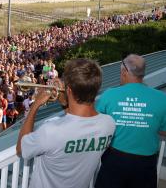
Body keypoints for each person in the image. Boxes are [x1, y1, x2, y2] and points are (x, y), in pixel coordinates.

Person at [16, 58, 115, 188]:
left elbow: (21, 150)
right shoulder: (109, 124)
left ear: (68, 90)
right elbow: (76, 121)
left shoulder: (50, 130)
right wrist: (64, 102)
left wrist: (35, 106)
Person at [95, 54, 166, 188]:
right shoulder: (162, 98)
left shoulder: (109, 95)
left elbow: (97, 124)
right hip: (146, 165)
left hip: (114, 161)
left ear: (124, 72)